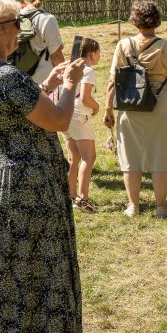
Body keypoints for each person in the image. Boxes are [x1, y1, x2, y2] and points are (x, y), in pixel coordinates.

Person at [0, 0, 117, 333]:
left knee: (7, 265)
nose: (21, 34)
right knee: (50, 264)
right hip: (29, 184)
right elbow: (61, 120)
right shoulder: (6, 77)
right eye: (16, 27)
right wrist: (71, 83)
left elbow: (16, 113)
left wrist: (48, 83)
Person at [103, 0, 167, 218]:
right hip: (160, 105)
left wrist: (108, 109)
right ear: (157, 20)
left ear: (135, 21)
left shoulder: (123, 45)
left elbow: (112, 81)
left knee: (130, 156)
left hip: (130, 106)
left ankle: (133, 206)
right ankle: (161, 206)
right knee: (161, 155)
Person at [66, 37, 102, 214]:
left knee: (74, 158)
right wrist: (96, 107)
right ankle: (83, 199)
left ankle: (70, 197)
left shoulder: (69, 67)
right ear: (93, 54)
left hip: (65, 115)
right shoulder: (87, 71)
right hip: (80, 116)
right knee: (89, 157)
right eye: (99, 53)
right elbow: (85, 97)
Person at [20, 0, 65, 85]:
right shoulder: (47, 19)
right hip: (42, 83)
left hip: (19, 79)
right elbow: (56, 56)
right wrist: (65, 78)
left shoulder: (15, 17)